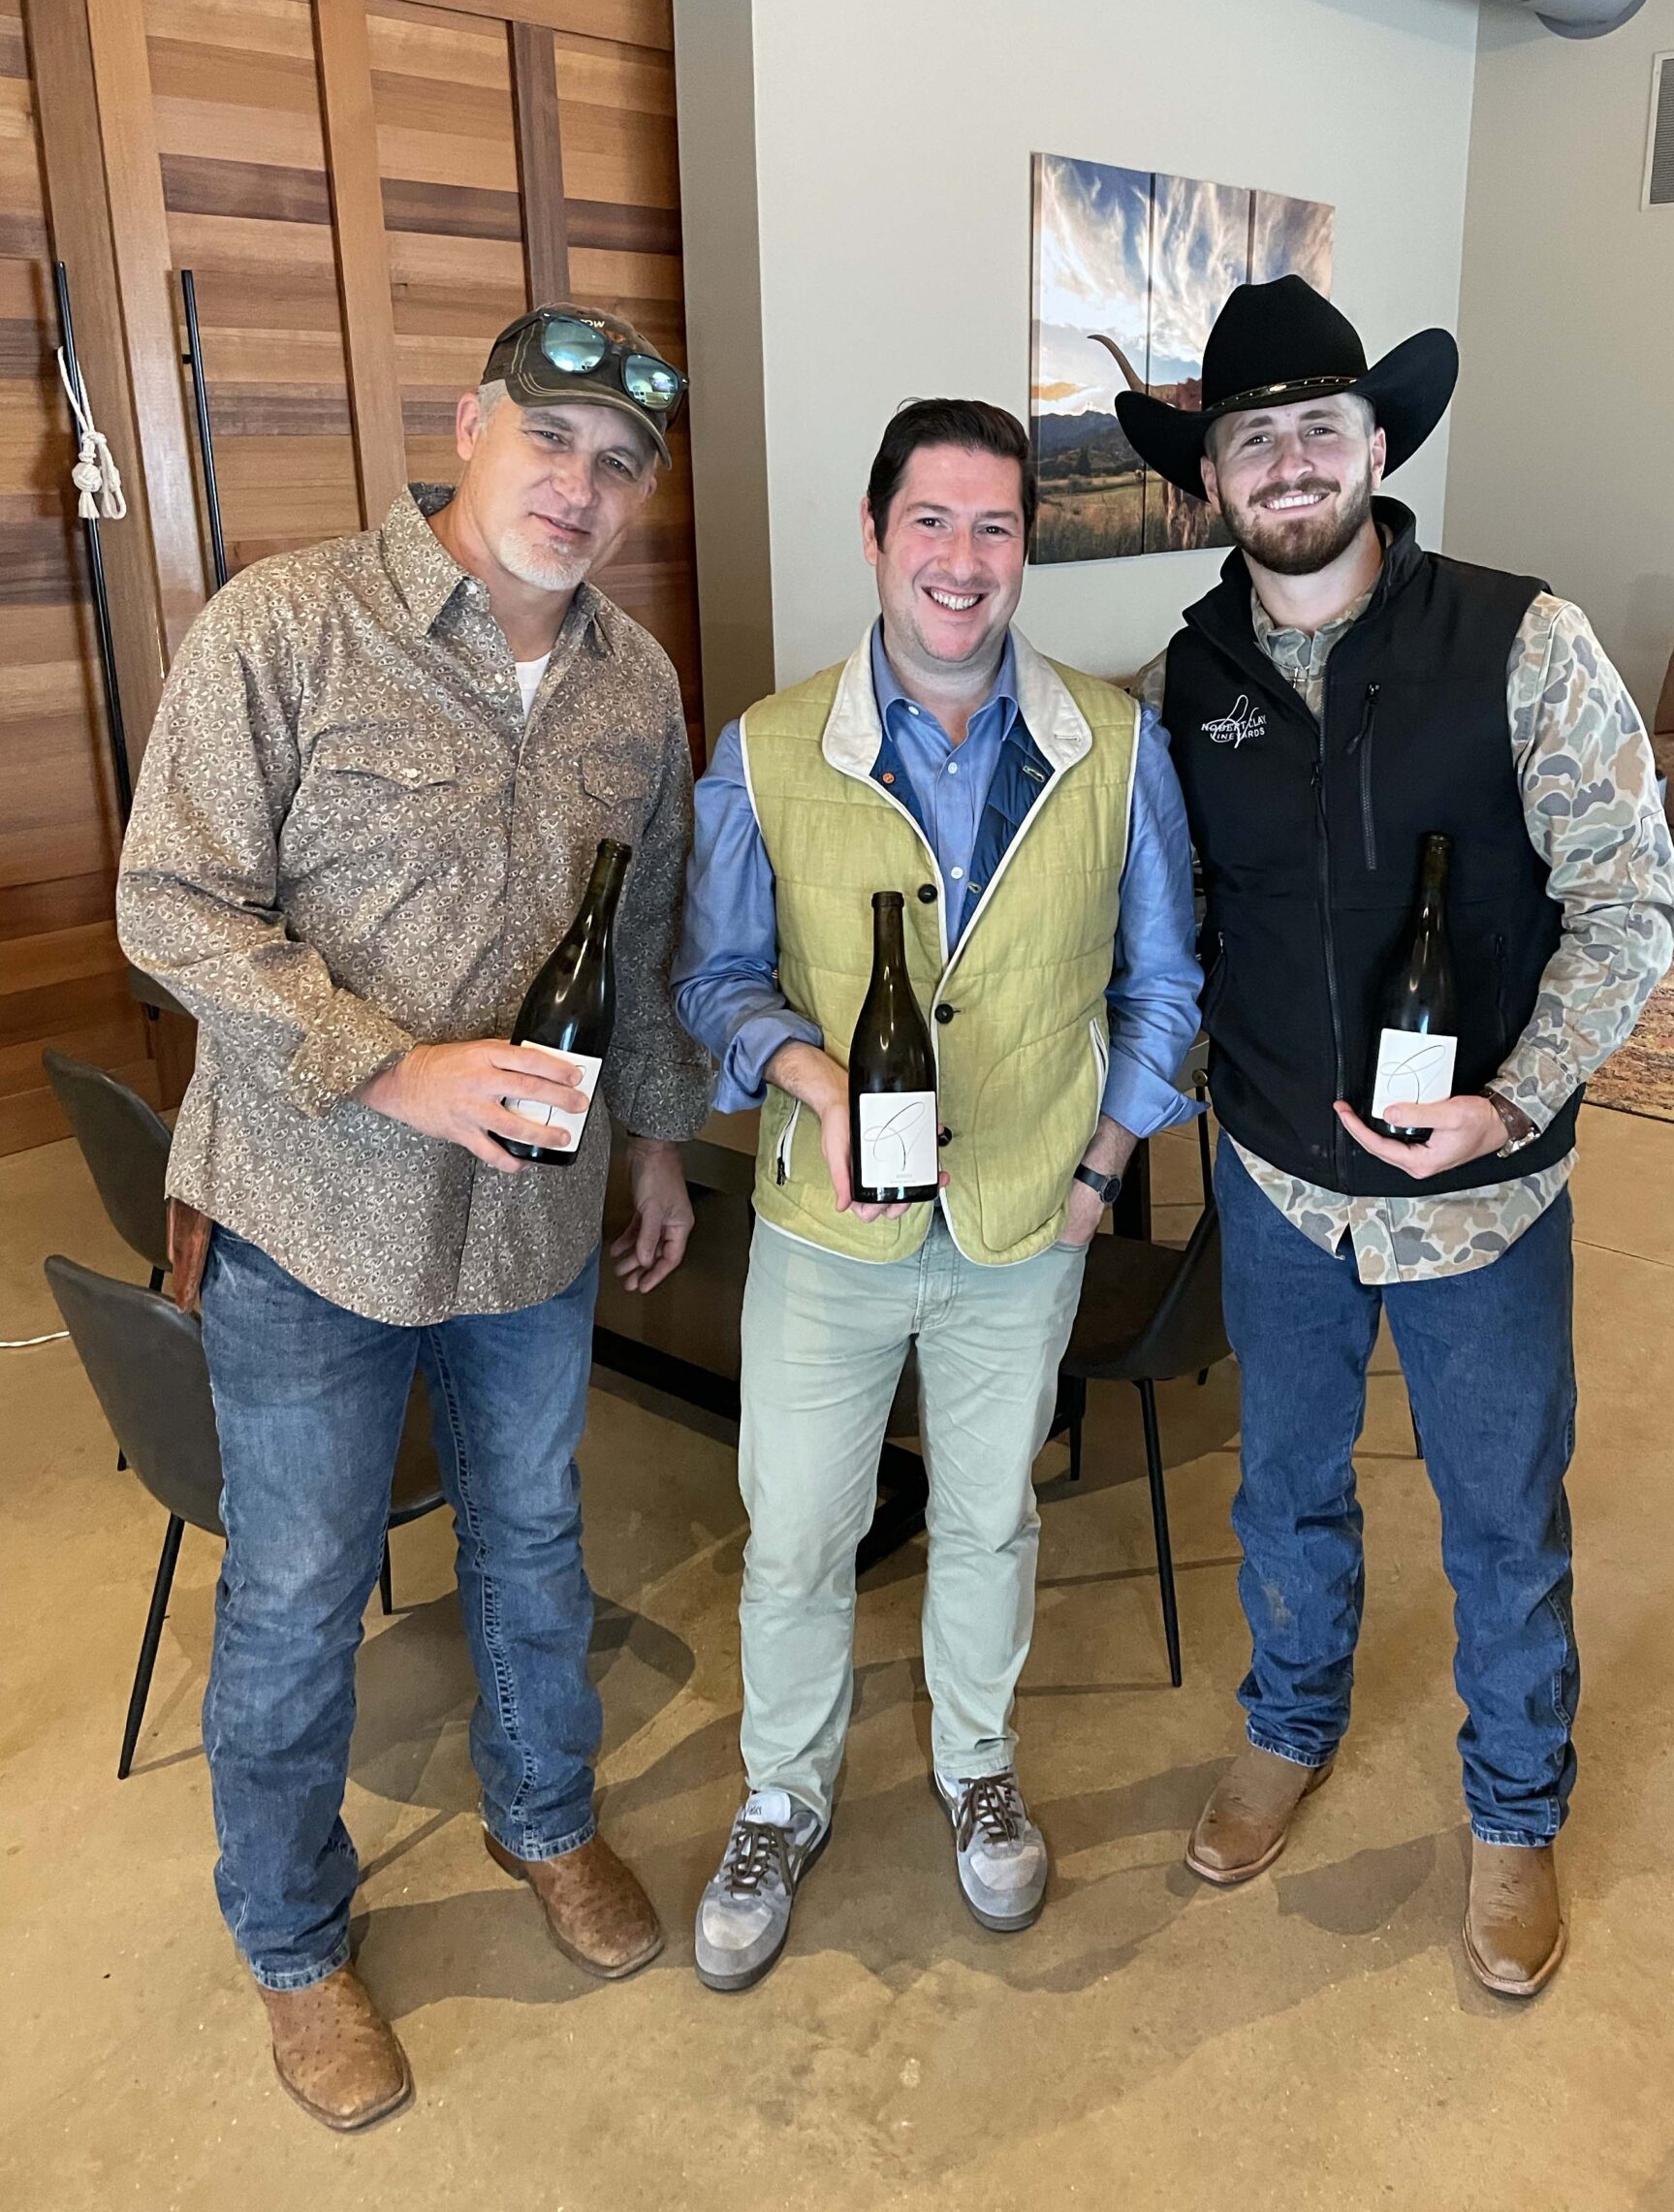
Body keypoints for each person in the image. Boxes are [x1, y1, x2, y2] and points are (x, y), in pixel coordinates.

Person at [116, 305, 713, 2131]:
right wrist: (397, 1071)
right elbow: (170, 901)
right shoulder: (287, 625)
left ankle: (544, 1818)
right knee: (300, 1593)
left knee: (535, 1540)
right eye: (551, 440)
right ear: (469, 426)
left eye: (620, 464)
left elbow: (649, 941)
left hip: (530, 1233)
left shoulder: (638, 687)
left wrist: (659, 1146)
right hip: (314, 1220)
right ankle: (295, 1940)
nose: (580, 487)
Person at [1116, 277, 1674, 1998]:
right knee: (1283, 1488)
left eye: (1319, 427)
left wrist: (1514, 1099)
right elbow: (1155, 929)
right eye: (1251, 439)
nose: (1288, 461)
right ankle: (1289, 1725)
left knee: (1500, 1515)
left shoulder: (1523, 641)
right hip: (1277, 1183)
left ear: (1377, 447)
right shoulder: (1181, 683)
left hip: (1482, 1201)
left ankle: (1515, 1809)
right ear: (1209, 478)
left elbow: (1631, 902)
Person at [674, 398, 1201, 1991]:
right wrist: (808, 1074)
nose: (961, 561)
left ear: (1025, 547)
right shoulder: (769, 748)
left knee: (988, 1518)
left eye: (994, 527)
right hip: (829, 1229)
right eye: (931, 522)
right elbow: (715, 977)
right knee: (798, 1531)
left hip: (1027, 1220)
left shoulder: (1113, 745)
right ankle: (781, 1794)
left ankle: (977, 1766)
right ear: (874, 532)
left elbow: (1164, 986)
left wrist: (1102, 1172)